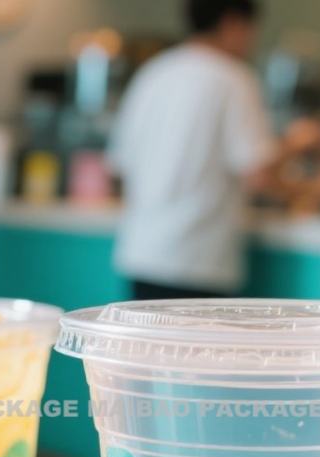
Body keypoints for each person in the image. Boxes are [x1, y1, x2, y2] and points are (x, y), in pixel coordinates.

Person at [108, 0, 278, 300]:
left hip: (142, 252)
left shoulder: (153, 73)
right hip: (200, 259)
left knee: (146, 332)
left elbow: (119, 165)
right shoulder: (234, 78)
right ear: (232, 23)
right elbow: (259, 174)